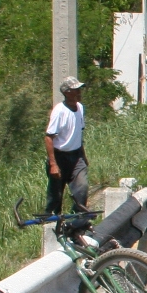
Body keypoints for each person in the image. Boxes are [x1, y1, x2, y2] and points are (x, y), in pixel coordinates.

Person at [44, 77, 90, 215]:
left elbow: (78, 134)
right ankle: (51, 221)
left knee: (82, 187)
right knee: (56, 195)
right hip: (60, 156)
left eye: (79, 89)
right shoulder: (59, 111)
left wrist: (83, 156)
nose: (79, 92)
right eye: (76, 90)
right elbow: (48, 137)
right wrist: (53, 164)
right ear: (67, 92)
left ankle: (77, 217)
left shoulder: (80, 108)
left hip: (76, 156)